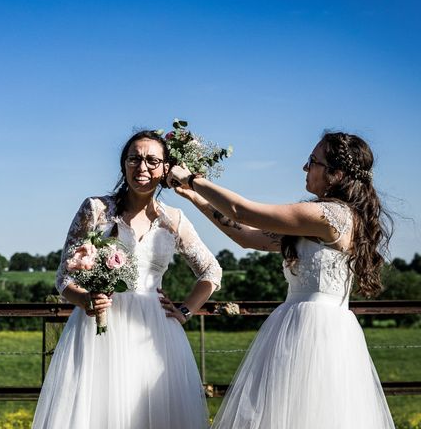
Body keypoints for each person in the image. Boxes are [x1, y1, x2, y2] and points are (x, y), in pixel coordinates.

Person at [167, 131, 395, 429]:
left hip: (314, 333)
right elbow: (246, 236)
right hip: (301, 325)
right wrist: (195, 198)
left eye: (313, 161)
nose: (305, 167)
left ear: (336, 174)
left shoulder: (329, 216)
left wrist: (192, 178)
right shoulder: (321, 219)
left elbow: (243, 211)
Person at [32, 130, 222, 429]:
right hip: (100, 330)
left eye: (151, 160)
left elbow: (211, 272)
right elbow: (64, 275)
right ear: (124, 164)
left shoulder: (174, 219)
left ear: (165, 168)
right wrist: (84, 299)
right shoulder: (96, 209)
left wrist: (185, 311)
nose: (142, 168)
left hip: (155, 332)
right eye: (134, 159)